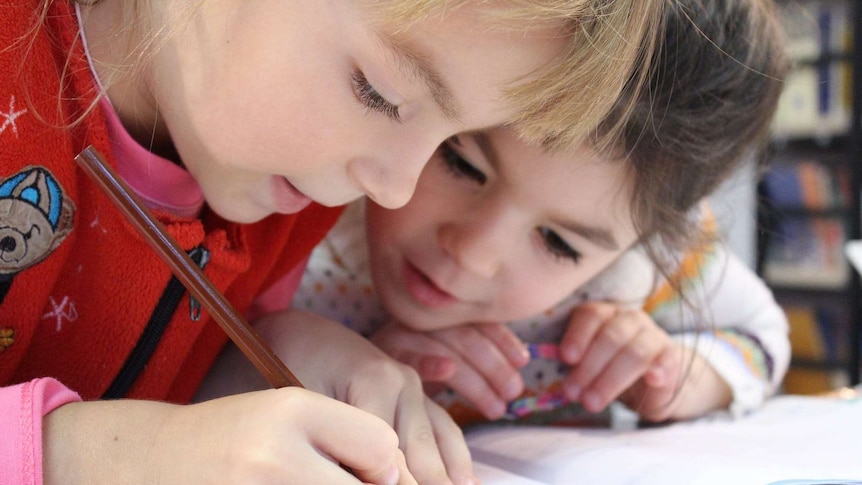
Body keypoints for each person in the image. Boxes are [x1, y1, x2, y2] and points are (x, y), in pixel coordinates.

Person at [0, 1, 667, 484]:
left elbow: (151, 387)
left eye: (446, 142)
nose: (395, 190)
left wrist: (270, 360)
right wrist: (99, 457)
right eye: (379, 94)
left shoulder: (281, 191)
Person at [277, 0, 791, 426]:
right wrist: (340, 366)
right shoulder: (303, 204)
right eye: (461, 164)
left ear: (644, 241)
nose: (474, 254)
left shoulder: (644, 272)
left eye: (559, 243)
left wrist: (683, 375)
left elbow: (763, 334)